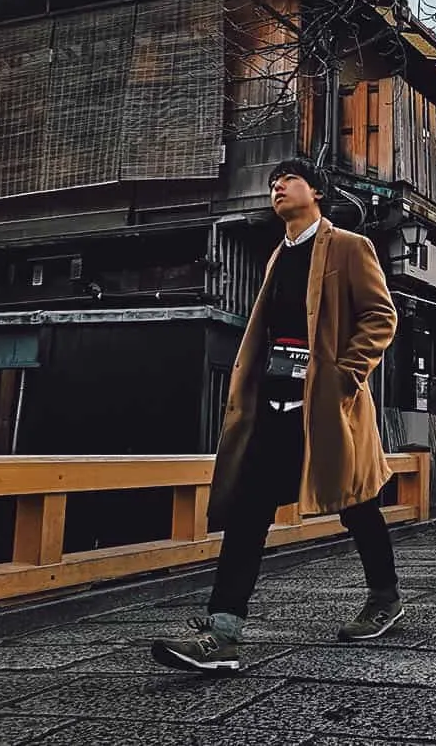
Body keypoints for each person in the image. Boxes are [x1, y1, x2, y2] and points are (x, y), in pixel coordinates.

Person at [151, 157, 402, 673]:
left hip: (326, 406)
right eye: (271, 183)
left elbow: (381, 316)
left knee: (356, 502)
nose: (276, 188)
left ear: (316, 191)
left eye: (287, 180)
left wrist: (343, 376)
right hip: (273, 402)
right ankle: (224, 633)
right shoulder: (276, 256)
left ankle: (384, 597)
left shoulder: (350, 248)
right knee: (248, 509)